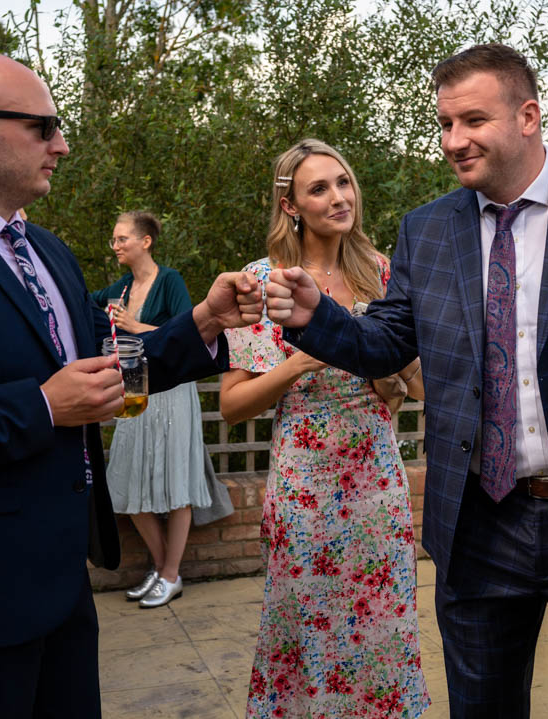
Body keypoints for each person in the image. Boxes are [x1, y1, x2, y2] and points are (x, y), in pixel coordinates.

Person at [0, 50, 261, 718]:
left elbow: (110, 363)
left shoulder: (49, 251)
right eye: (43, 127)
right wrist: (39, 407)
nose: (61, 145)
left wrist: (203, 319)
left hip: (64, 588)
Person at [264, 45, 548, 717]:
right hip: (477, 524)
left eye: (473, 120)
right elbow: (387, 341)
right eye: (445, 124)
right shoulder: (427, 228)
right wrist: (317, 318)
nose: (453, 140)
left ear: (528, 116)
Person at [221, 139, 429, 718]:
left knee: (383, 629)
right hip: (306, 490)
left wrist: (398, 375)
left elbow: (417, 385)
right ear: (290, 205)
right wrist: (299, 363)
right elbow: (232, 406)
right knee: (311, 634)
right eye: (319, 188)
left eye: (343, 182)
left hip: (377, 482)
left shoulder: (382, 272)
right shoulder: (263, 282)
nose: (339, 197)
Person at [92, 210, 222, 607]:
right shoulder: (119, 288)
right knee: (126, 479)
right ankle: (165, 568)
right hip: (134, 390)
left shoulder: (170, 281)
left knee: (176, 481)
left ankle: (168, 574)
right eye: (113, 240)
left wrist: (133, 327)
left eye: (122, 239)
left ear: (145, 241)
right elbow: (83, 306)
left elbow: (188, 333)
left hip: (173, 390)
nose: (115, 245)